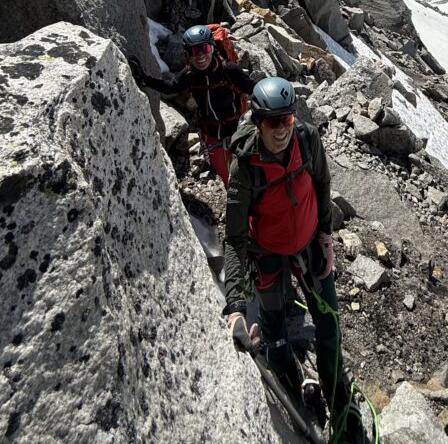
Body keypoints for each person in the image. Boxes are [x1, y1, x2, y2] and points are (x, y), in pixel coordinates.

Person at [222, 77, 366, 444]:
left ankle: (340, 403)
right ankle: (287, 371)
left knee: (329, 325)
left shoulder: (307, 138)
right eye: (272, 122)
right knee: (272, 327)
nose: (281, 128)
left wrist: (326, 237)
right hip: (267, 250)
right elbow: (236, 238)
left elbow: (321, 181)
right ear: (257, 121)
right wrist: (236, 305)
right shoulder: (245, 167)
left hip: (307, 245)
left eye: (286, 119)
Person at [130, 25, 255, 187]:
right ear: (187, 55)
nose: (200, 55)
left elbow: (253, 88)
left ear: (212, 48)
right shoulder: (190, 75)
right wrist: (144, 79)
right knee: (228, 179)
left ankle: (252, 209)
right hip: (211, 136)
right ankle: (236, 208)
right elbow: (171, 87)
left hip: (236, 132)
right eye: (194, 51)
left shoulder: (228, 70)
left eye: (204, 48)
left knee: (246, 176)